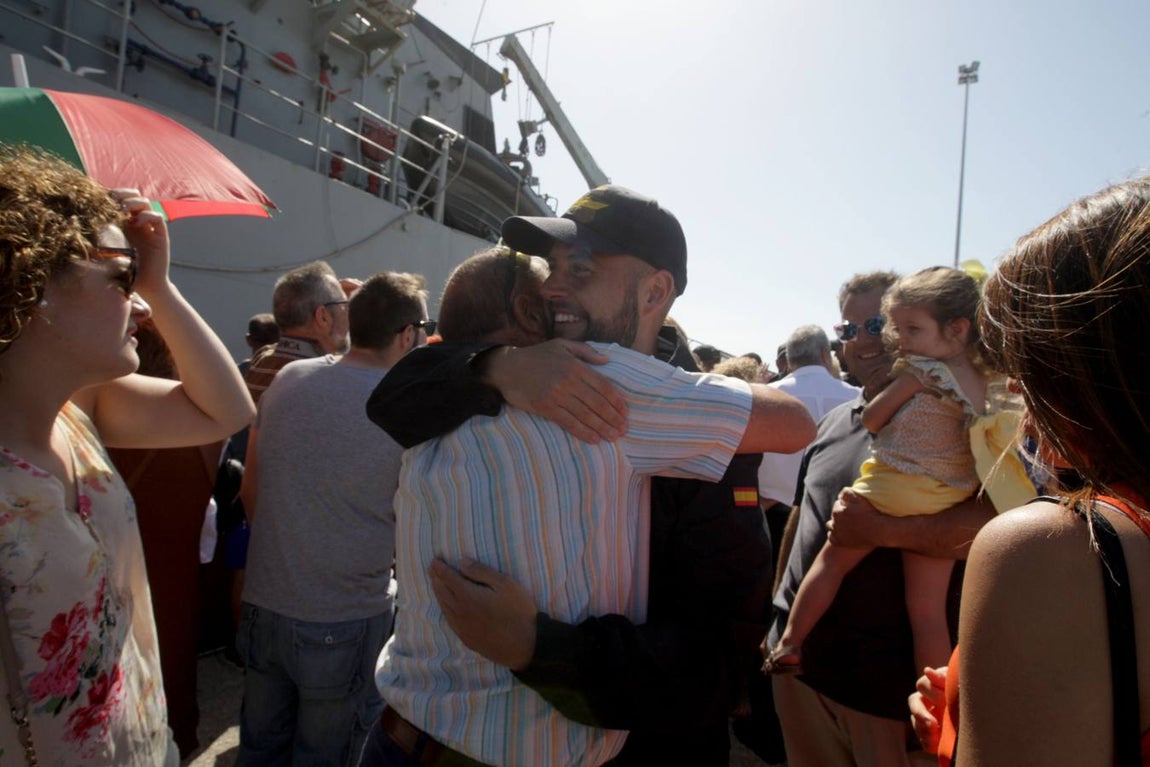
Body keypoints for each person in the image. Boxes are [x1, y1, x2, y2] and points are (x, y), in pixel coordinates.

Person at [364, 185, 816, 766]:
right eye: (552, 267)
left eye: (580, 268)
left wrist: (542, 650)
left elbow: (716, 665)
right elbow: (392, 399)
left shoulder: (706, 430)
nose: (551, 286)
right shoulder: (520, 370)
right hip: (402, 736)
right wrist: (496, 365)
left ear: (655, 291)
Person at [0, 146, 254, 766]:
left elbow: (227, 411)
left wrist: (158, 284)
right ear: (32, 284)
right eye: (121, 277)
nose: (140, 304)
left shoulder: (78, 411)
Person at [908, 177, 1150, 766]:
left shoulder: (1051, 547)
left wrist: (956, 740)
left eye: (1033, 356)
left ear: (1111, 364)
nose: (1017, 384)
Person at [767, 271, 997, 767]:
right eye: (849, 330)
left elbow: (996, 525)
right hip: (803, 682)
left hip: (889, 705)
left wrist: (885, 530)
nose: (865, 341)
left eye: (877, 325)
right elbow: (802, 517)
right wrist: (777, 614)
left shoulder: (963, 421)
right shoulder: (834, 420)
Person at [236, 272, 427, 766]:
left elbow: (250, 488)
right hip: (343, 619)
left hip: (264, 605)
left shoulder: (287, 379)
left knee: (258, 752)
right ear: (407, 335)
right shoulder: (407, 409)